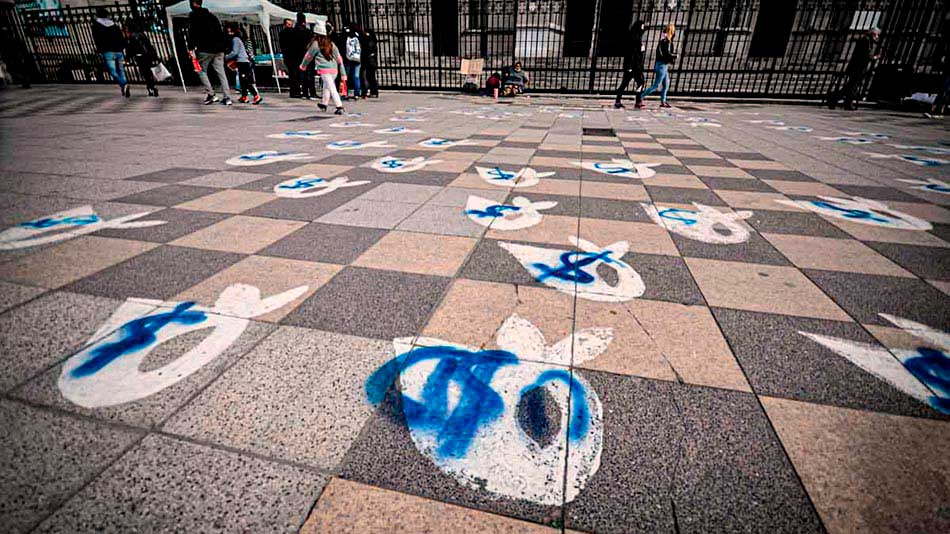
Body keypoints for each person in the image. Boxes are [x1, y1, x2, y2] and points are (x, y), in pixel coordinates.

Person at [188, 0, 232, 105]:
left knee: (201, 70)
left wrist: (190, 47)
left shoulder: (194, 16)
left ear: (193, 3)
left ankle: (211, 94)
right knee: (221, 73)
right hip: (219, 49)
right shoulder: (212, 16)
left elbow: (192, 33)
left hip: (204, 49)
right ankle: (227, 97)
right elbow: (221, 32)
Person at [301, 19, 347, 114]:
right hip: (334, 69)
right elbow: (339, 58)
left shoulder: (315, 44)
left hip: (324, 69)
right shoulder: (331, 43)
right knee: (327, 86)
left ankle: (339, 106)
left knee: (331, 87)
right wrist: (343, 72)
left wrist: (303, 65)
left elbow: (308, 56)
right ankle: (324, 103)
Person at [828, 28, 881, 111]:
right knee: (852, 86)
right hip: (858, 68)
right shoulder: (866, 41)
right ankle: (836, 99)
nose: (877, 37)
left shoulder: (866, 40)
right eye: (877, 35)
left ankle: (839, 100)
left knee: (851, 86)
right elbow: (866, 55)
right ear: (873, 34)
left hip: (857, 68)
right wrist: (875, 57)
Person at [91, 7, 129, 97]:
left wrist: (99, 49)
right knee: (121, 70)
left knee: (112, 70)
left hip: (108, 51)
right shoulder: (114, 25)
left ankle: (123, 84)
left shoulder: (96, 25)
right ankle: (124, 85)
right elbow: (121, 37)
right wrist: (122, 47)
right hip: (118, 50)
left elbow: (97, 39)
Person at [640, 24, 676, 108]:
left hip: (663, 65)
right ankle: (641, 96)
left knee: (666, 84)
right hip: (662, 65)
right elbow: (667, 54)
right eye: (673, 31)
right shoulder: (666, 42)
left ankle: (663, 101)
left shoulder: (664, 41)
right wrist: (674, 57)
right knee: (656, 85)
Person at [614, 20, 647, 109]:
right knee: (628, 83)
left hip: (636, 65)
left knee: (639, 83)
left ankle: (636, 101)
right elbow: (631, 53)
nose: (643, 29)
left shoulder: (637, 37)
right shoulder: (633, 38)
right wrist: (629, 66)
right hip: (633, 65)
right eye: (642, 27)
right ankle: (636, 101)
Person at [226, 24, 261, 104]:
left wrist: (226, 57)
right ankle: (244, 96)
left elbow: (235, 52)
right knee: (243, 80)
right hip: (243, 61)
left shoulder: (235, 39)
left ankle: (256, 95)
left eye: (230, 31)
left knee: (245, 80)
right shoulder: (238, 39)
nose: (229, 33)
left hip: (242, 62)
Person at [125, 21, 159, 97]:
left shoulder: (132, 37)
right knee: (148, 72)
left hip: (140, 56)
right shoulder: (142, 34)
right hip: (148, 55)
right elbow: (149, 45)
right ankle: (151, 87)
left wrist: (128, 58)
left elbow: (130, 48)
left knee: (145, 72)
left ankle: (151, 87)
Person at [278, 18, 302, 98]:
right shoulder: (294, 32)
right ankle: (297, 91)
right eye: (289, 24)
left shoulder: (282, 33)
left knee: (292, 74)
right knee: (296, 74)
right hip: (294, 56)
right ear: (285, 24)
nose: (290, 26)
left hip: (288, 56)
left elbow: (281, 45)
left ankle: (293, 91)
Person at [343, 25, 362, 100]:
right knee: (356, 77)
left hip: (348, 59)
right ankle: (356, 94)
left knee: (345, 76)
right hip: (357, 59)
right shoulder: (358, 37)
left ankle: (345, 93)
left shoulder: (346, 37)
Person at [361, 29, 379, 98]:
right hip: (372, 62)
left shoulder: (369, 42)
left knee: (369, 77)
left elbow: (367, 51)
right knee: (371, 77)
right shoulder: (373, 42)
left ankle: (372, 91)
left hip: (369, 62)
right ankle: (373, 91)